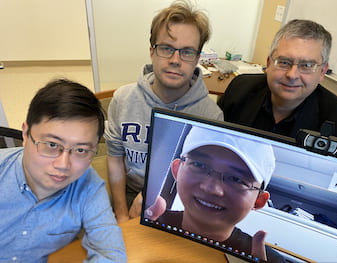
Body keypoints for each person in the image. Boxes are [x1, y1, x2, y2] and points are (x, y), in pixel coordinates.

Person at [105, 0, 223, 223]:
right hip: (129, 194)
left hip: (178, 199)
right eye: (167, 48)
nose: (175, 60)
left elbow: (202, 178)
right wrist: (120, 214)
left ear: (198, 58)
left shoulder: (211, 115)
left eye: (187, 52)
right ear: (152, 52)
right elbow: (115, 158)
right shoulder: (123, 99)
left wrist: (153, 197)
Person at [0, 79, 126, 262]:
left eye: (81, 150)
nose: (63, 164)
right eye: (52, 145)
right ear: (26, 135)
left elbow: (109, 252)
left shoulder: (88, 186)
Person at [145, 126, 285, 262]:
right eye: (199, 165)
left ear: (259, 200)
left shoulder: (270, 261)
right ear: (176, 170)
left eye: (236, 179)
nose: (211, 188)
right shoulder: (149, 222)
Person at [218, 19, 337, 147]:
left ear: (322, 72)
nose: (292, 75)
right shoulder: (239, 89)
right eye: (284, 62)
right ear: (269, 64)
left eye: (307, 65)